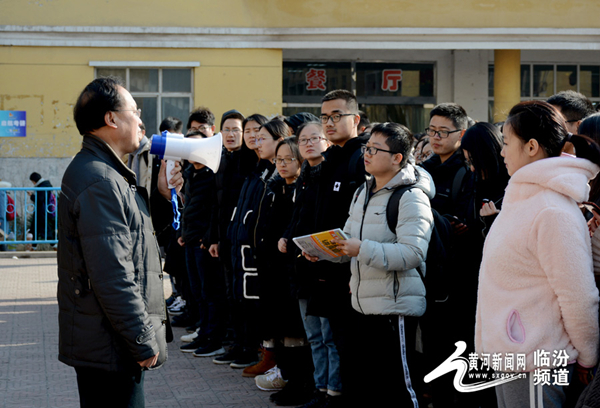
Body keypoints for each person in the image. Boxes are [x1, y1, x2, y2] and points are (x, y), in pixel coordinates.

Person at [57, 76, 183, 407]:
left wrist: (160, 196)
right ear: (111, 119)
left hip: (107, 342)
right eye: (135, 110)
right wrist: (142, 340)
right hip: (111, 347)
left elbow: (138, 239)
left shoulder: (106, 172)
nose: (141, 120)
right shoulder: (100, 179)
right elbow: (112, 274)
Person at [476, 100, 600, 408]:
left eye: (506, 143)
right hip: (514, 356)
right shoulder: (524, 197)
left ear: (531, 146)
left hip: (538, 359)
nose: (502, 151)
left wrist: (587, 355)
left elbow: (578, 294)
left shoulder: (551, 209)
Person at [311, 122, 433, 407]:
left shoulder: (411, 197)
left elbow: (413, 253)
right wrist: (325, 251)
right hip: (362, 305)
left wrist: (361, 249)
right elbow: (349, 243)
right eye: (367, 148)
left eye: (375, 150)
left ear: (397, 158)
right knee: (371, 387)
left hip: (395, 307)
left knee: (401, 388)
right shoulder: (363, 192)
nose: (366, 154)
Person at [226, 118, 289, 370]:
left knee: (264, 305)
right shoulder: (260, 168)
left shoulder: (280, 174)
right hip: (249, 246)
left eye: (262, 137)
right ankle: (263, 354)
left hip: (271, 252)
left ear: (280, 140)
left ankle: (273, 360)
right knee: (246, 299)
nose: (256, 141)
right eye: (253, 135)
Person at [212, 113, 269, 366]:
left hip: (252, 246)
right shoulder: (238, 161)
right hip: (231, 240)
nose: (250, 136)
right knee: (232, 294)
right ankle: (239, 343)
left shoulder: (267, 167)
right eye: (248, 131)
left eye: (257, 131)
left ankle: (252, 348)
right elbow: (219, 204)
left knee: (249, 299)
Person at [29, 171, 54, 241]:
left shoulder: (42, 186)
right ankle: (34, 246)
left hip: (41, 210)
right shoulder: (45, 184)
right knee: (34, 228)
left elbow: (40, 199)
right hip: (41, 209)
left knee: (44, 228)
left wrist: (31, 196)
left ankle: (54, 245)